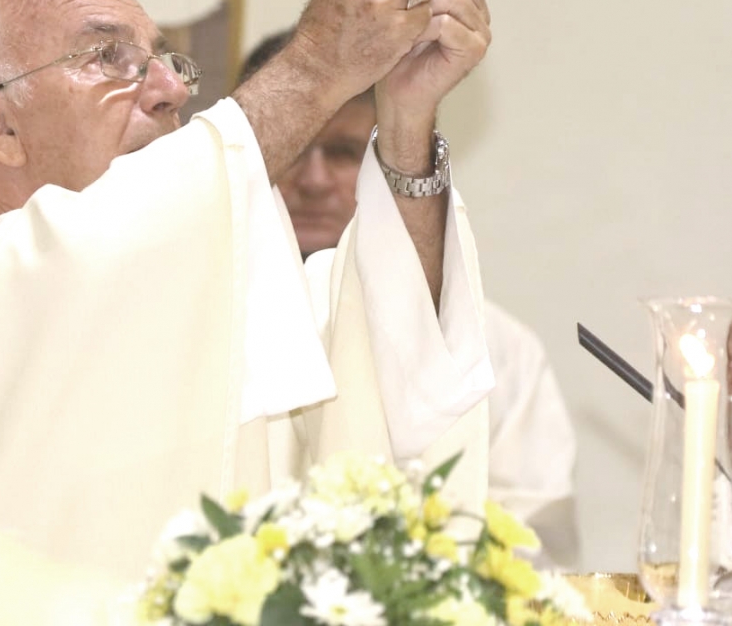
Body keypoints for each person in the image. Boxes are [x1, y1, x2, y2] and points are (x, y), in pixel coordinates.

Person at [0, 0, 497, 589]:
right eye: (108, 57)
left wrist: (405, 123)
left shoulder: (198, 274)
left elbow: (386, 361)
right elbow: (60, 278)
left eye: (163, 59)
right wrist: (314, 66)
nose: (170, 90)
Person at [237, 31, 581, 567]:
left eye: (346, 152)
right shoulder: (207, 320)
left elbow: (531, 537)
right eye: (297, 149)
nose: (314, 180)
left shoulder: (498, 348)